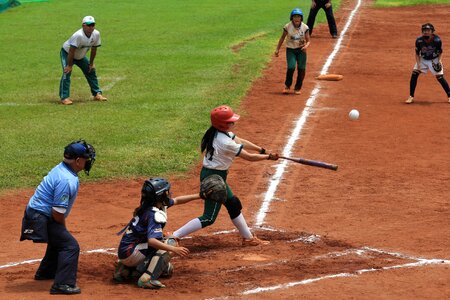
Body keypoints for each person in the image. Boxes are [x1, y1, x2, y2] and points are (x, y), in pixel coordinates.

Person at [172, 105, 279, 246]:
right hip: (214, 178)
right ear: (222, 124)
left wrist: (262, 150)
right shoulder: (226, 142)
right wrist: (267, 157)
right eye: (229, 121)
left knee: (233, 204)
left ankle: (248, 239)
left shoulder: (218, 133)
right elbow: (248, 157)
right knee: (209, 217)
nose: (233, 123)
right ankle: (174, 236)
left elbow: (240, 141)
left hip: (215, 175)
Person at [19, 140, 96, 295]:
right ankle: (62, 284)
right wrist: (63, 228)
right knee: (70, 246)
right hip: (39, 217)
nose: (88, 162)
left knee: (59, 239)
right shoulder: (66, 180)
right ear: (78, 161)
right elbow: (57, 213)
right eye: (86, 159)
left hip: (36, 213)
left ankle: (46, 272)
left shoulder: (62, 169)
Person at [113, 178, 200, 289]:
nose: (168, 194)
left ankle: (124, 270)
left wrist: (200, 195)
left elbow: (177, 200)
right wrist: (173, 249)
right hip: (132, 253)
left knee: (166, 265)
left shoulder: (147, 207)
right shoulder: (154, 214)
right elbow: (152, 241)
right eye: (166, 192)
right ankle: (147, 279)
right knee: (171, 242)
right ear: (160, 196)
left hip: (125, 252)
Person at [59, 16, 107, 105]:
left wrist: (91, 63)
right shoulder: (78, 35)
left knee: (91, 70)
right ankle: (64, 97)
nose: (91, 27)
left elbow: (94, 49)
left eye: (93, 25)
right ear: (83, 25)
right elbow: (71, 51)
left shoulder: (96, 34)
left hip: (80, 56)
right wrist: (69, 65)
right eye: (89, 25)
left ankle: (97, 94)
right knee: (67, 72)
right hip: (67, 54)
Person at [406, 23, 450, 104]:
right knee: (414, 74)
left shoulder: (437, 40)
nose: (426, 32)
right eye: (424, 30)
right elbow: (416, 53)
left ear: (432, 31)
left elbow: (440, 52)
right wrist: (418, 64)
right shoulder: (419, 40)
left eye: (428, 30)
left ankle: (449, 95)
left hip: (434, 59)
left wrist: (439, 61)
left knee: (440, 77)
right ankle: (411, 96)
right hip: (423, 59)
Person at [275, 8, 311, 95]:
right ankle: (287, 86)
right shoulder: (287, 26)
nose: (296, 18)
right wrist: (277, 49)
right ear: (292, 18)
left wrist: (306, 46)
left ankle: (297, 88)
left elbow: (308, 40)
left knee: (301, 69)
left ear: (301, 18)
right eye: (295, 16)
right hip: (290, 50)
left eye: (298, 16)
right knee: (291, 67)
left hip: (301, 50)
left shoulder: (305, 27)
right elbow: (282, 38)